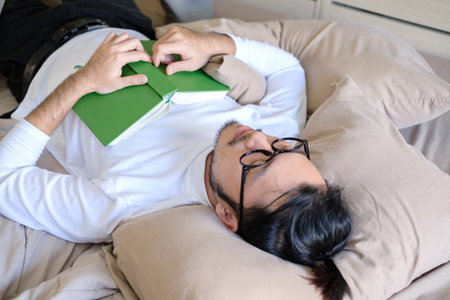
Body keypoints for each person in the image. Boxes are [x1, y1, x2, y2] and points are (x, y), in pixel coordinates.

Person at [0, 1, 352, 299]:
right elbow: (287, 66)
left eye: (258, 162)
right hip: (124, 23)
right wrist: (209, 43)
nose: (260, 138)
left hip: (37, 47)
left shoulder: (127, 202)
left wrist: (82, 83)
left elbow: (5, 176)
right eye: (285, 149)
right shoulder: (277, 134)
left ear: (227, 216)